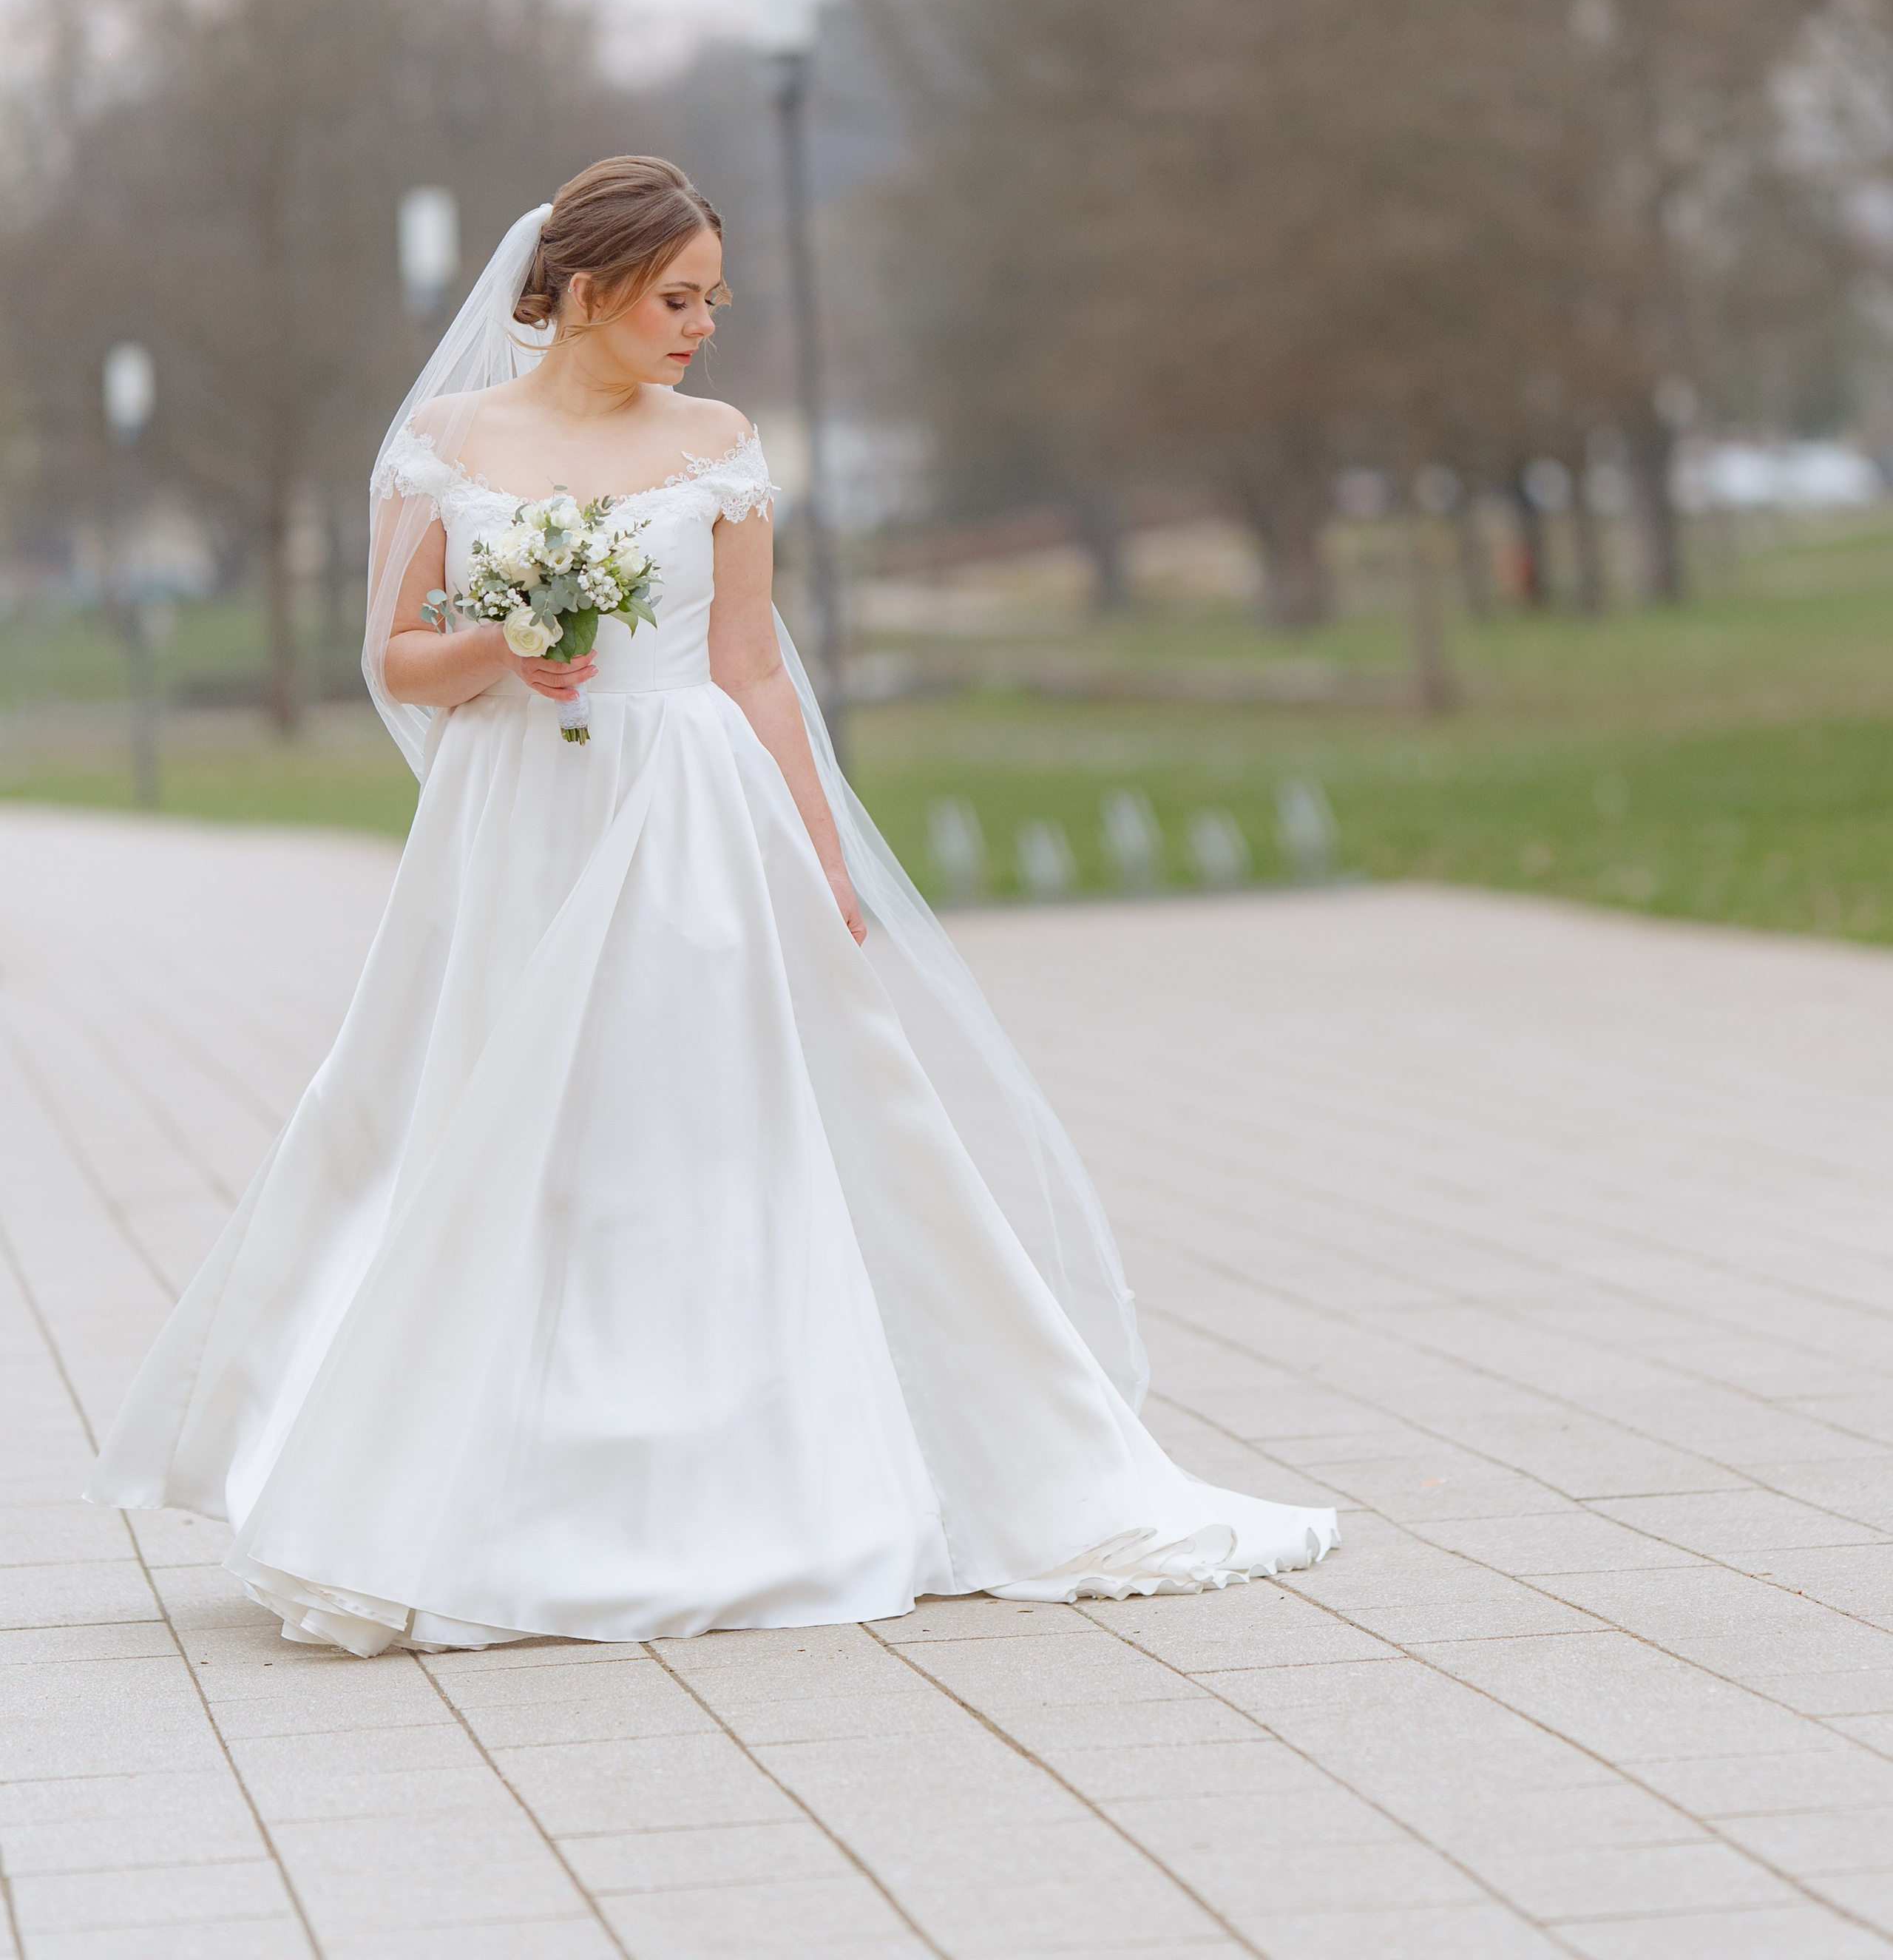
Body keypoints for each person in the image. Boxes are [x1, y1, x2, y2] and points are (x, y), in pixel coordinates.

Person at [88, 157, 1335, 1655]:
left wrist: (819, 850)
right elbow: (395, 658)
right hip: (515, 829)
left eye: (714, 302)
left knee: (689, 1124)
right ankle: (474, 1484)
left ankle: (743, 1475)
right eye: (678, 299)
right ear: (593, 288)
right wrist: (503, 641)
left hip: (688, 820)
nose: (699, 327)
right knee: (492, 1127)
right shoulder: (446, 442)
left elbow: (746, 665)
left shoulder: (720, 448)